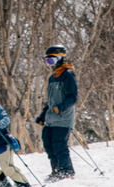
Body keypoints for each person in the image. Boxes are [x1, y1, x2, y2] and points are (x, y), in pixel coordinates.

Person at [35, 45, 78, 179]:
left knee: (59, 143)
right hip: (51, 117)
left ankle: (67, 171)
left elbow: (73, 96)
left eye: (51, 61)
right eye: (47, 61)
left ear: (60, 58)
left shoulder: (68, 74)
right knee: (47, 142)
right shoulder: (52, 77)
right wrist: (43, 115)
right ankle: (57, 171)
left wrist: (61, 107)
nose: (49, 64)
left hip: (63, 116)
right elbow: (50, 100)